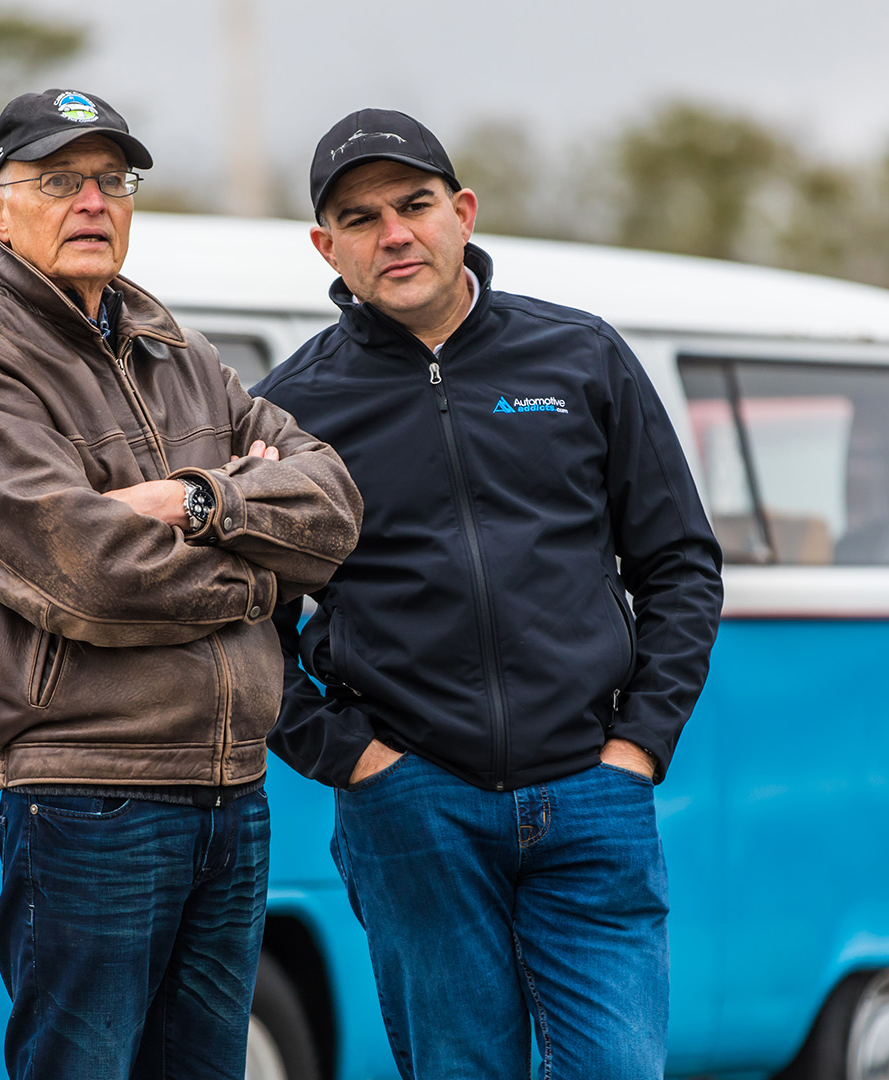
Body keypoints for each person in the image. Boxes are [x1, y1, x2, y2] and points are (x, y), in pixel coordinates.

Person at [0, 89, 362, 1080]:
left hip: (232, 790)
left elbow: (332, 507)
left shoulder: (177, 350)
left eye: (112, 179)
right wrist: (263, 579)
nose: (93, 201)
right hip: (88, 795)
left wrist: (195, 501)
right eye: (60, 180)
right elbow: (95, 578)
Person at [254, 109, 725, 1079]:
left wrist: (638, 746)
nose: (394, 234)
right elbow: (246, 621)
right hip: (412, 805)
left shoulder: (580, 358)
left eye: (415, 204)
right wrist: (354, 760)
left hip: (592, 792)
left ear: (462, 212)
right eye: (360, 217)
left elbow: (680, 561)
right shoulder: (294, 409)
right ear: (326, 247)